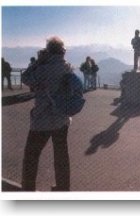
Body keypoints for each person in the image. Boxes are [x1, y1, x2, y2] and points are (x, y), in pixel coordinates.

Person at [21, 36, 73, 191]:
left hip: (42, 121)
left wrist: (38, 61)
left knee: (31, 156)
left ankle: (28, 190)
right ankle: (63, 188)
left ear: (49, 51)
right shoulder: (68, 67)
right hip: (62, 119)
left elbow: (25, 78)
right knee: (61, 155)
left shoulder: (43, 69)